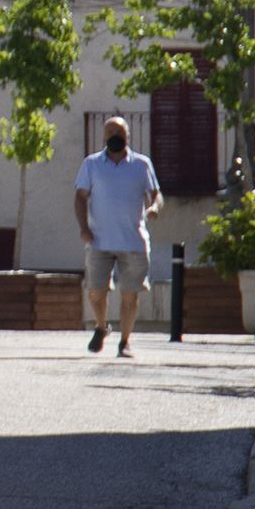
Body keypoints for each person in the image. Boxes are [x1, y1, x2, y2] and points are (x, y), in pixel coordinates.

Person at [76, 115, 165, 358]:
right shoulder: (92, 164)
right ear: (104, 137)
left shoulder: (141, 164)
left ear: (128, 136)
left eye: (119, 133)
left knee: (130, 294)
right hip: (99, 241)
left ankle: (125, 341)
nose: (115, 137)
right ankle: (101, 326)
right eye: (111, 133)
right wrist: (84, 227)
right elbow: (80, 197)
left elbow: (155, 193)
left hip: (133, 241)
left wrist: (154, 207)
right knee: (95, 291)